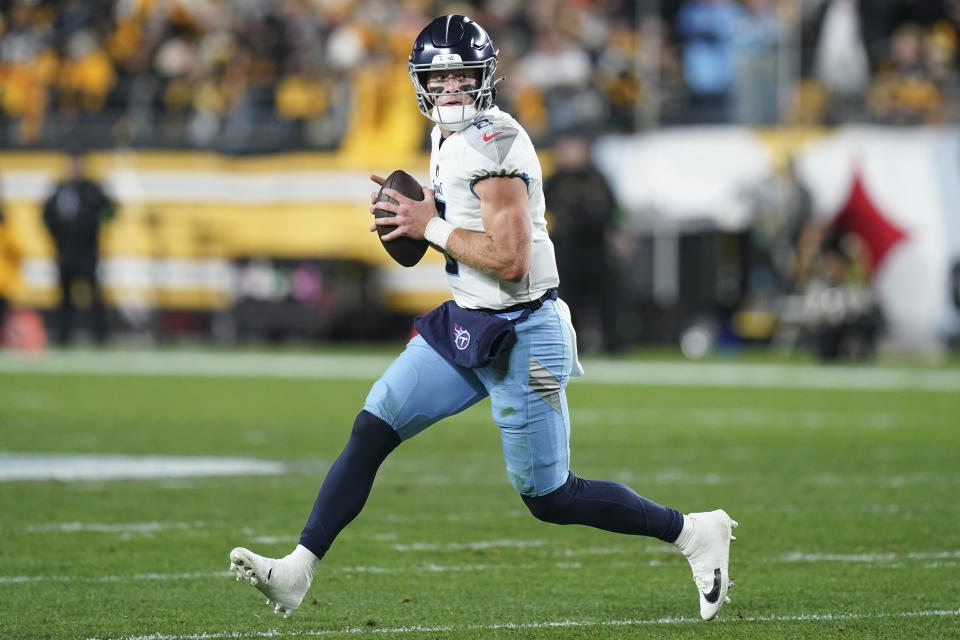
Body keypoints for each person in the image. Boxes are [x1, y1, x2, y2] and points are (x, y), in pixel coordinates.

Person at [229, 15, 737, 622]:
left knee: (550, 497)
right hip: (470, 320)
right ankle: (297, 570)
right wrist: (423, 213)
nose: (448, 91)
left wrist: (431, 226)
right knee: (373, 424)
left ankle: (693, 533)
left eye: (460, 77)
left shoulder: (495, 144)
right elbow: (459, 231)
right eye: (436, 79)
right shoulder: (447, 137)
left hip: (526, 333)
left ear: (484, 78)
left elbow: (513, 262)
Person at [542, 133, 621, 353]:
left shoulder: (597, 178)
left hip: (597, 247)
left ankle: (614, 346)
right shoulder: (554, 180)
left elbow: (612, 210)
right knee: (568, 300)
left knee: (607, 298)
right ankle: (574, 346)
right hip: (567, 248)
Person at [42, 150, 115, 345]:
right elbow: (46, 216)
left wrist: (95, 227)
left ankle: (100, 337)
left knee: (94, 294)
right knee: (64, 297)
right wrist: (58, 235)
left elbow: (110, 210)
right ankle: (63, 337)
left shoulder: (91, 189)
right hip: (66, 251)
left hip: (87, 252)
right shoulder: (59, 190)